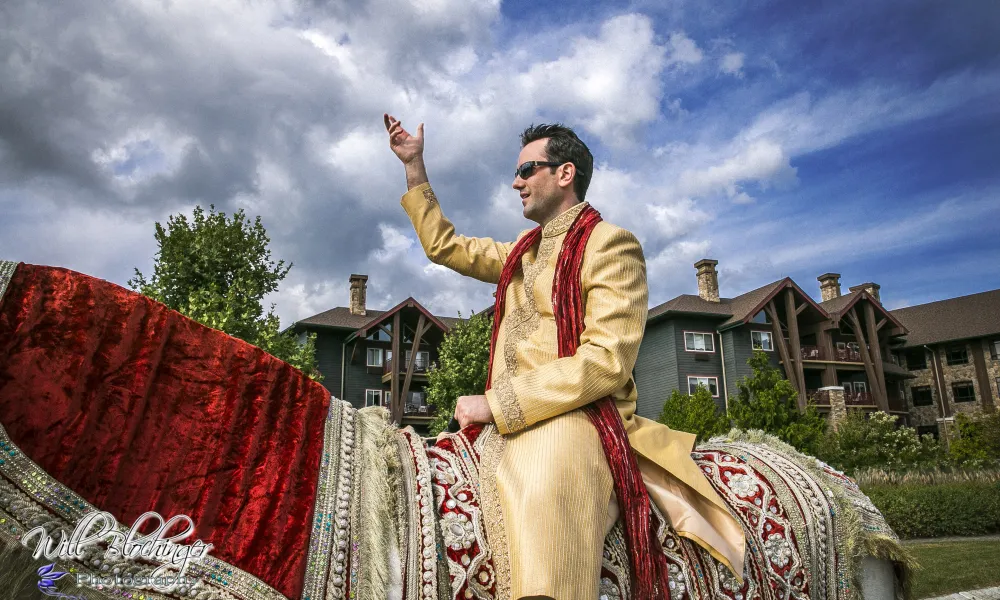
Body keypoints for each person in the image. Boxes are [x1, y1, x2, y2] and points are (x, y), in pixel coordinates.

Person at [384, 114, 745, 600]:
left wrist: (499, 403)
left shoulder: (611, 244)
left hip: (579, 417)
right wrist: (414, 168)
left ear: (565, 173)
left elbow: (606, 360)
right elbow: (445, 246)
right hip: (507, 420)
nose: (516, 182)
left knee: (545, 484)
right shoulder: (522, 252)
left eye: (527, 170)